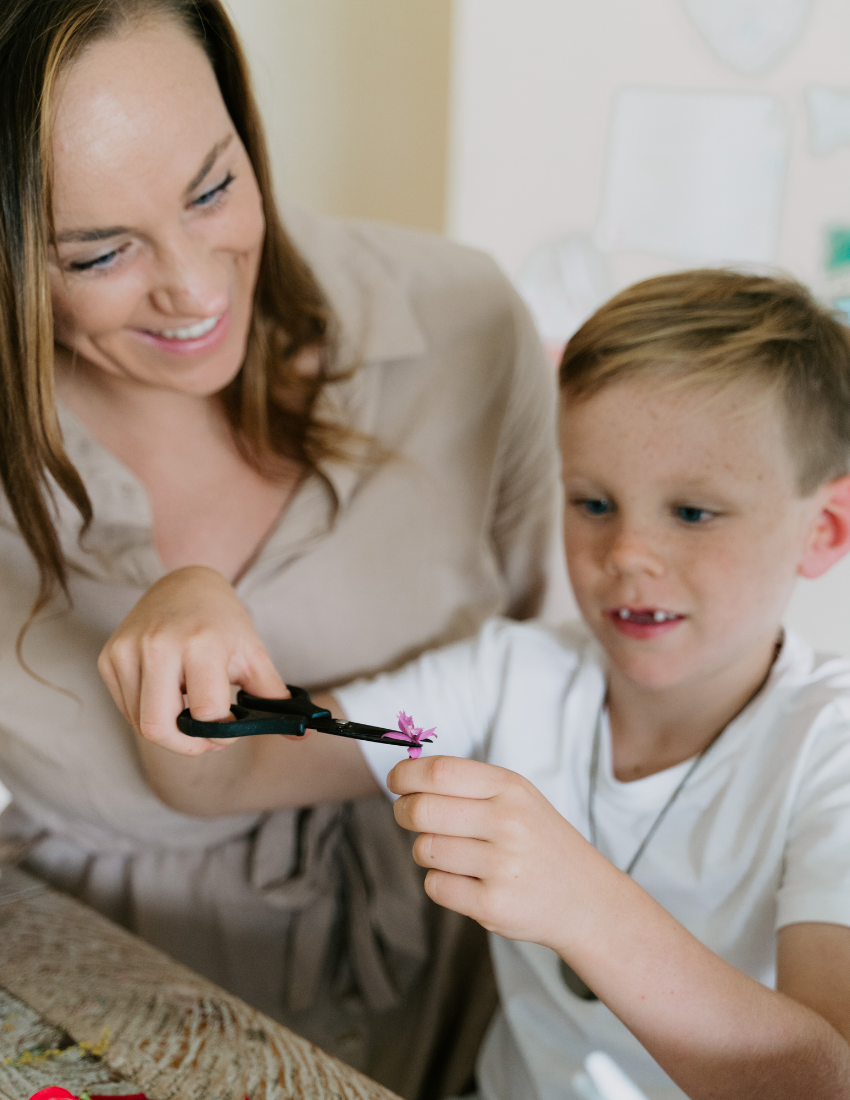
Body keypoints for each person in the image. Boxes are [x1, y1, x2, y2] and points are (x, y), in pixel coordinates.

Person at [0, 2, 570, 1095]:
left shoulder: (462, 324)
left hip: (463, 1025)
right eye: (99, 251)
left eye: (213, 187)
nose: (195, 287)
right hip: (97, 1029)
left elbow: (557, 693)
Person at [116, 270, 850, 1099]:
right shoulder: (507, 677)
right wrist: (186, 605)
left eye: (692, 512)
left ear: (823, 529)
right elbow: (225, 776)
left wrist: (583, 903)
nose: (627, 555)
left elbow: (823, 1081)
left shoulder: (830, 755)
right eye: (594, 502)